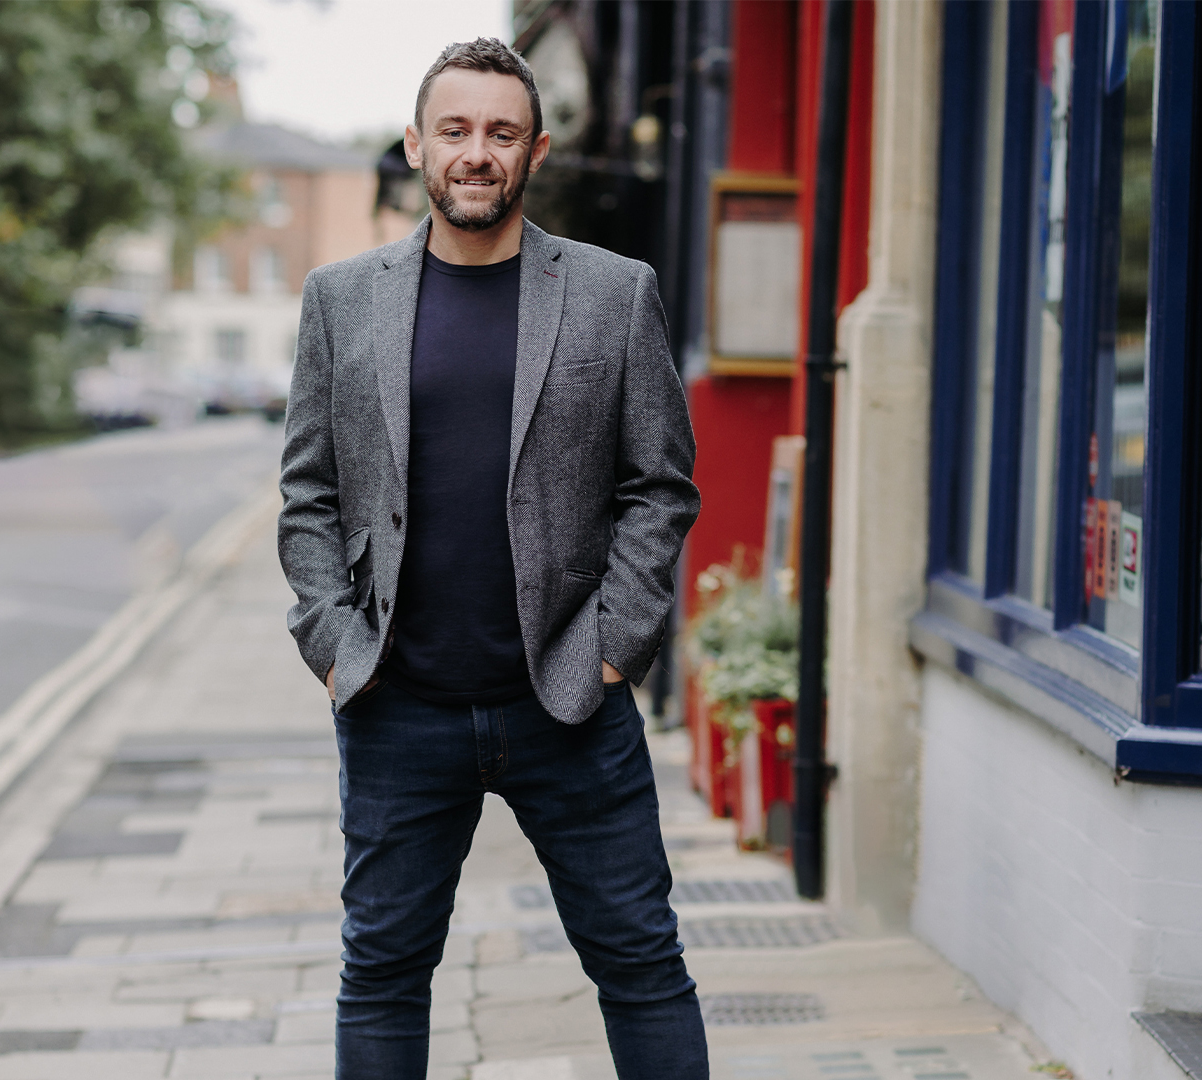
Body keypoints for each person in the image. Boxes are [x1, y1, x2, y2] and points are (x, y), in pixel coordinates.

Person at [276, 36, 705, 1080]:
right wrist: (335, 644)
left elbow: (661, 485)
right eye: (456, 131)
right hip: (397, 705)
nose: (478, 153)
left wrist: (613, 648)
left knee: (642, 964)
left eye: (501, 133)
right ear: (417, 145)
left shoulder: (613, 292)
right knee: (381, 973)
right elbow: (309, 493)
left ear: (537, 150)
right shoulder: (342, 299)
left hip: (568, 702)